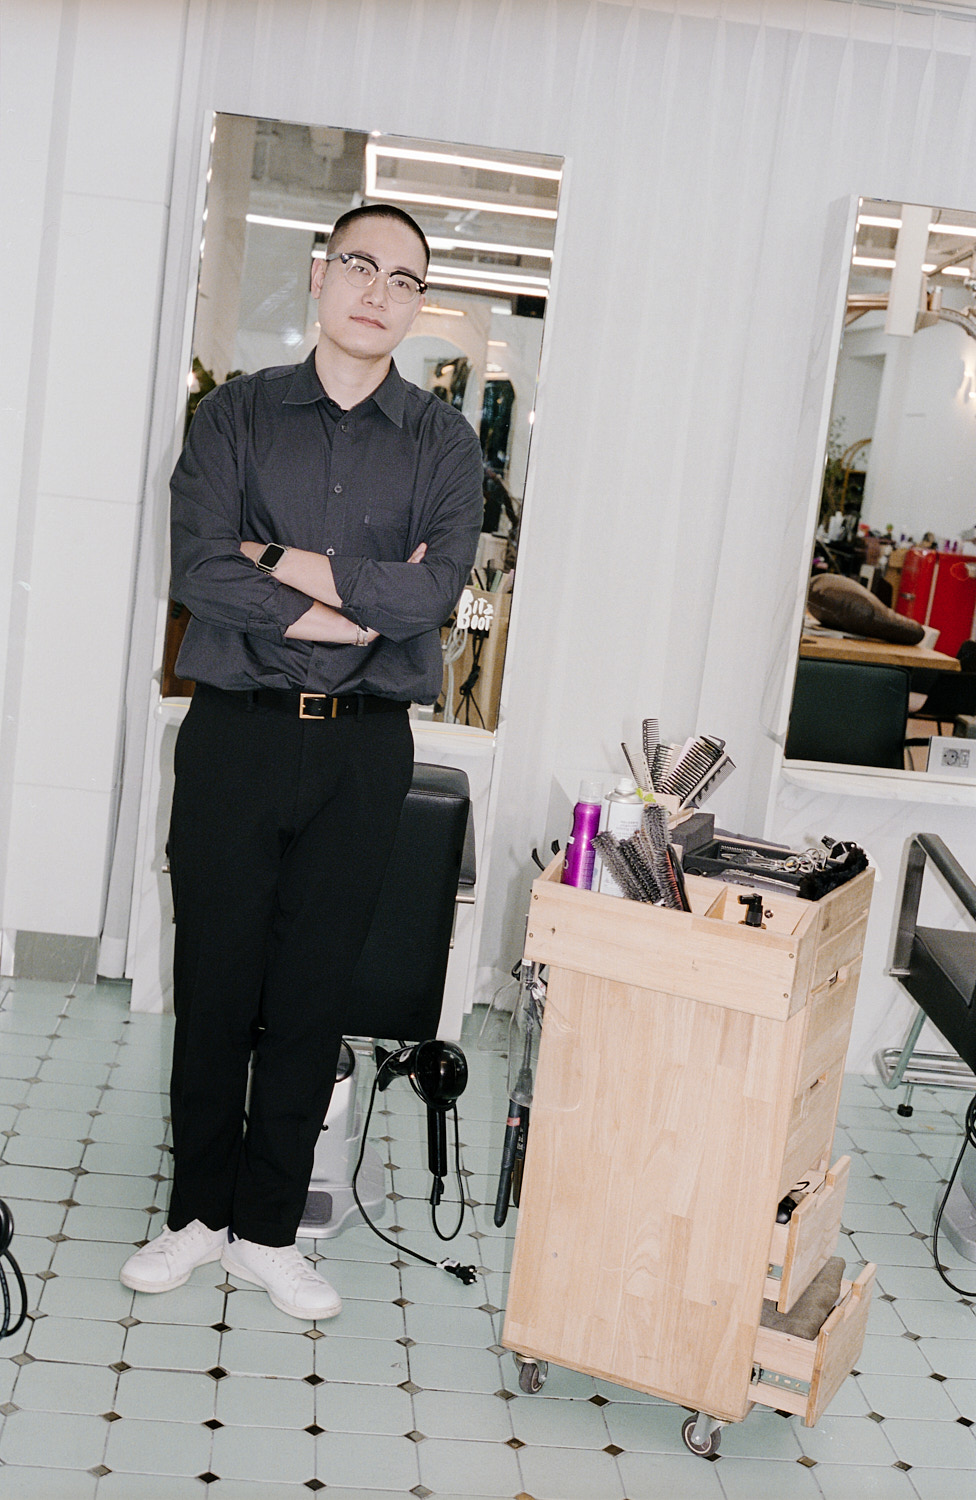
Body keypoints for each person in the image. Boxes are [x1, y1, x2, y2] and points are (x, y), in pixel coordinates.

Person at [120, 204, 484, 1320]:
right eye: (361, 266)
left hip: (363, 753)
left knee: (311, 992)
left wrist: (274, 559)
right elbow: (198, 571)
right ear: (322, 276)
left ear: (418, 307)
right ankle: (196, 1215)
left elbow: (431, 596)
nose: (380, 290)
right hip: (235, 734)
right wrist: (351, 603)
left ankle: (268, 1233)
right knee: (217, 981)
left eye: (406, 280)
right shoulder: (231, 414)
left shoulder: (442, 444)